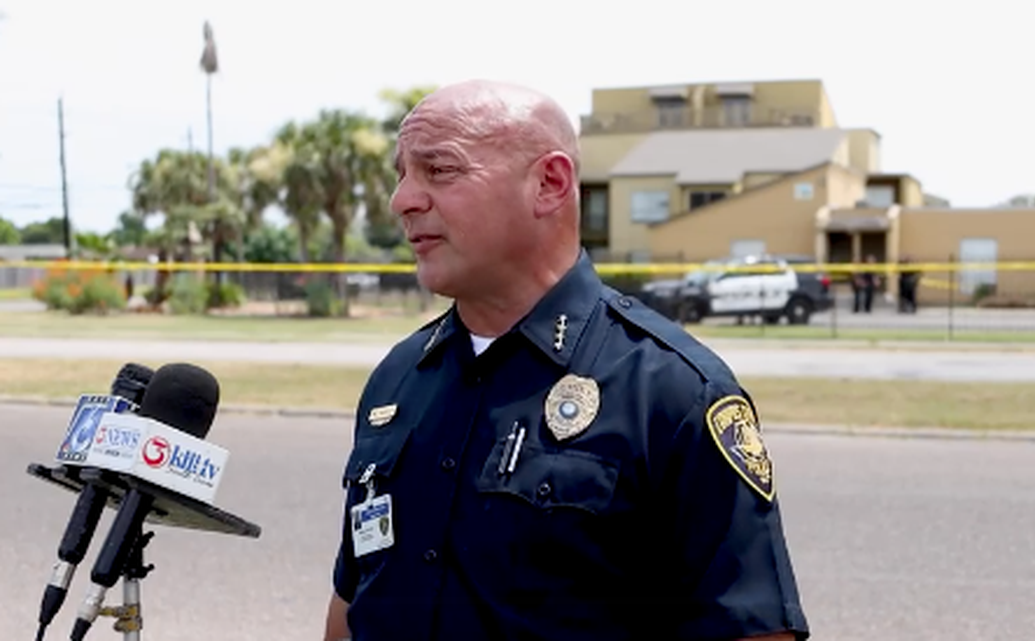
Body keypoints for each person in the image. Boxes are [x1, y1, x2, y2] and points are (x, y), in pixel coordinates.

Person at [323, 80, 810, 641]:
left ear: (549, 184)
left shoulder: (674, 393)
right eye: (402, 174)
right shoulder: (398, 379)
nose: (402, 199)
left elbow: (752, 630)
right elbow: (354, 600)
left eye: (439, 170)